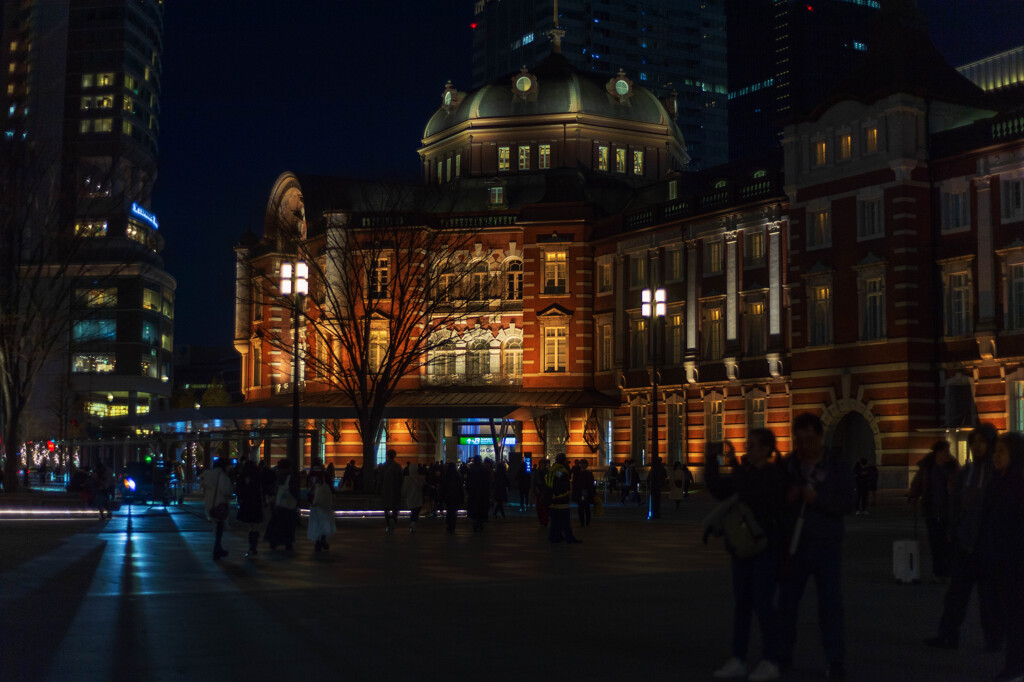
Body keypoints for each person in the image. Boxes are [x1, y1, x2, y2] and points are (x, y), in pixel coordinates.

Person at [776, 413, 856, 681]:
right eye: (799, 441)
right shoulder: (788, 467)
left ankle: (835, 660)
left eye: (809, 440)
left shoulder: (837, 466)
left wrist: (818, 500)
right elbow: (775, 503)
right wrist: (786, 498)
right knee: (787, 604)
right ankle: (783, 654)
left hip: (826, 545)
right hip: (794, 546)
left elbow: (847, 503)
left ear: (821, 437)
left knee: (831, 606)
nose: (805, 446)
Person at [706, 432, 787, 682]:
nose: (747, 450)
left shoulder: (773, 474)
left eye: (751, 446)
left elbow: (750, 493)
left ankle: (771, 660)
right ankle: (738, 658)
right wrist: (711, 461)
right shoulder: (747, 472)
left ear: (766, 449)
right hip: (742, 548)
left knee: (763, 604)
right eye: (746, 446)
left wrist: (733, 464)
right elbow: (720, 489)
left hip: (765, 548)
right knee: (742, 604)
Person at [926, 423, 1000, 651]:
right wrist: (954, 532)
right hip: (964, 545)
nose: (977, 446)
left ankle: (994, 640)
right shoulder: (965, 473)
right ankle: (948, 634)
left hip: (988, 547)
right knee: (956, 596)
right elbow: (955, 505)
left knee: (990, 600)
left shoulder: (997, 474)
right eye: (974, 442)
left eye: (982, 442)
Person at [983, 432, 1024, 682]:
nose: (995, 456)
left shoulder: (1016, 483)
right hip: (1003, 559)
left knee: (1017, 618)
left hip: (1016, 561)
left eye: (1001, 451)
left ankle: (1015, 667)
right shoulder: (999, 480)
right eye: (995, 450)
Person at [908, 441, 960, 579]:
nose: (948, 454)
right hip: (931, 510)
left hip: (948, 511)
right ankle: (938, 571)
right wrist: (913, 495)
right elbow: (918, 482)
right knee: (935, 543)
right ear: (938, 453)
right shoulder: (928, 467)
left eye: (948, 451)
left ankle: (946, 570)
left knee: (947, 543)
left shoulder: (953, 467)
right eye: (945, 451)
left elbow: (959, 485)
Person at [201, 457, 234, 561]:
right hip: (220, 505)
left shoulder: (208, 475)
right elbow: (227, 490)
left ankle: (218, 549)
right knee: (220, 529)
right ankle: (217, 549)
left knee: (218, 528)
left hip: (210, 504)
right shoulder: (222, 476)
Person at [265, 459, 299, 552]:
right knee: (288, 526)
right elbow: (294, 492)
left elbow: (273, 490)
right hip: (288, 506)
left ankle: (274, 542)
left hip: (279, 505)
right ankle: (288, 543)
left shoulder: (278, 477)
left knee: (276, 525)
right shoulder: (289, 478)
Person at [546, 453, 581, 543]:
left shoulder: (552, 469)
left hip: (552, 499)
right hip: (561, 500)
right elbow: (562, 485)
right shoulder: (562, 471)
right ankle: (568, 537)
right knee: (565, 520)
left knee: (555, 521)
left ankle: (555, 536)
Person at [234, 459, 265, 559]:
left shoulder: (242, 478)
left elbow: (238, 491)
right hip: (256, 504)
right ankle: (253, 546)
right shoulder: (258, 477)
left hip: (247, 505)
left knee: (250, 526)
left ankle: (251, 546)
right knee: (256, 526)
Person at [307, 467, 336, 552]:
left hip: (314, 505)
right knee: (324, 523)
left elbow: (308, 489)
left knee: (316, 524)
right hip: (323, 506)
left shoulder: (311, 476)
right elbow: (330, 489)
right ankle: (321, 540)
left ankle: (318, 541)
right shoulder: (324, 478)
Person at [378, 449, 404, 533]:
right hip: (396, 490)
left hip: (385, 490)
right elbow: (401, 479)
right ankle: (394, 519)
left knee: (386, 508)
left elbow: (380, 479)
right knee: (395, 507)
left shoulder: (383, 467)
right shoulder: (398, 466)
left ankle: (388, 523)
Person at [466, 455, 491, 532]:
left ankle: (475, 522)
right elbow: (487, 482)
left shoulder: (471, 470)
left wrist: (469, 491)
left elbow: (468, 482)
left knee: (475, 508)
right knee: (481, 508)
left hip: (473, 493)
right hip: (482, 493)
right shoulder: (484, 469)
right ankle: (480, 523)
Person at [440, 461, 464, 534]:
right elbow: (460, 488)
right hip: (455, 497)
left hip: (447, 497)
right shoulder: (457, 476)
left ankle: (449, 524)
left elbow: (442, 488)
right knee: (453, 511)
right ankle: (452, 525)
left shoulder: (446, 476)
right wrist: (461, 498)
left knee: (449, 510)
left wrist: (441, 497)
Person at [572, 459, 596, 527]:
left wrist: (593, 492)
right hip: (580, 493)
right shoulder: (577, 474)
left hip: (587, 493)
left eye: (584, 464)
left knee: (587, 509)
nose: (582, 465)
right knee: (581, 509)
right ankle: (582, 522)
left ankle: (587, 521)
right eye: (581, 464)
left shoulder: (588, 473)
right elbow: (575, 484)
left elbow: (592, 483)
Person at [402, 462, 425, 533]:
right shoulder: (420, 478)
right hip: (418, 498)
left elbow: (404, 489)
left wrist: (403, 494)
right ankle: (413, 522)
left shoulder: (407, 479)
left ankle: (412, 522)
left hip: (410, 497)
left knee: (413, 510)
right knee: (416, 511)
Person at [647, 455, 668, 519]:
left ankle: (654, 509)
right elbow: (665, 475)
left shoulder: (654, 468)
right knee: (657, 496)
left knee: (654, 495)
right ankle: (656, 509)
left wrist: (648, 481)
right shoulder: (662, 468)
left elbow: (650, 475)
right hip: (659, 484)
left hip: (654, 484)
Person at [532, 458, 551, 526]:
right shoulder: (537, 472)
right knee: (539, 507)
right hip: (539, 491)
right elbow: (534, 482)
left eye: (544, 464)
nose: (543, 465)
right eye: (542, 464)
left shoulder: (547, 472)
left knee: (544, 507)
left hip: (545, 491)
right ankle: (542, 520)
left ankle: (545, 520)